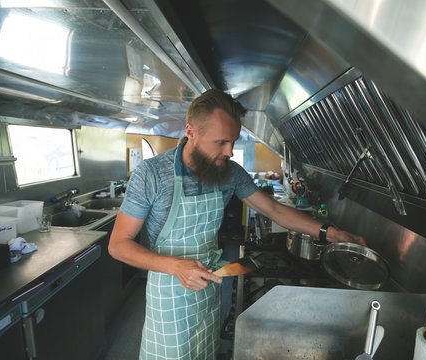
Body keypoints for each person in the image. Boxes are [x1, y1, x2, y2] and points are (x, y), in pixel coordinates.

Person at [108, 89, 366, 360]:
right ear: (190, 131)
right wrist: (176, 266)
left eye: (233, 141)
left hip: (209, 285)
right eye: (221, 142)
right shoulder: (151, 175)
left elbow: (275, 210)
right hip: (169, 291)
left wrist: (330, 232)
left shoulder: (229, 173)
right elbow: (118, 245)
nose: (230, 151)